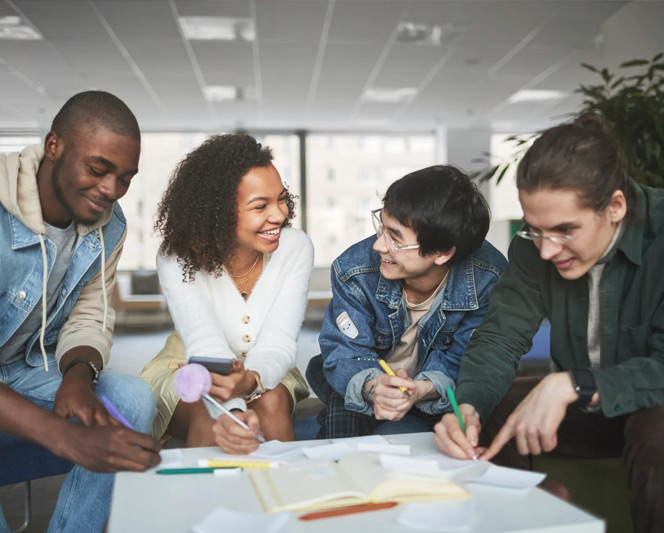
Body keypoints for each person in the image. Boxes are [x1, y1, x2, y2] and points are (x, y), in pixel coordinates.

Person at [434, 113, 664, 533]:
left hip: (649, 410)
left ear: (616, 206)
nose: (545, 251)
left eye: (564, 231)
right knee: (495, 407)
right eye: (534, 230)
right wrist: (468, 406)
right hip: (590, 414)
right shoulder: (534, 244)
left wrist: (575, 383)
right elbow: (499, 337)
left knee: (658, 427)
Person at [0, 91, 161, 533]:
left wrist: (78, 376)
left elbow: (92, 311)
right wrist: (68, 438)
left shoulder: (110, 225)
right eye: (98, 169)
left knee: (132, 398)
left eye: (125, 178)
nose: (111, 190)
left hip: (27, 367)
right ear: (55, 146)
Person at [140, 133, 313, 454]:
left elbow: (278, 341)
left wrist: (252, 380)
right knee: (210, 414)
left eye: (281, 198)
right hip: (190, 365)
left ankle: (287, 498)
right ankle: (210, 503)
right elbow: (205, 343)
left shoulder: (295, 248)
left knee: (272, 402)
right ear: (217, 212)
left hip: (269, 364)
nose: (279, 215)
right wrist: (232, 410)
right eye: (260, 205)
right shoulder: (177, 257)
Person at [307, 165, 507, 438]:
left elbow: (467, 361)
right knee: (342, 420)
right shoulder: (354, 269)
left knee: (461, 432)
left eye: (395, 239)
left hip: (437, 386)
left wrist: (420, 390)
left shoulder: (487, 276)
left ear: (442, 253)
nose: (379, 246)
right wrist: (375, 387)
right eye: (382, 228)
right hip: (369, 375)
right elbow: (346, 351)